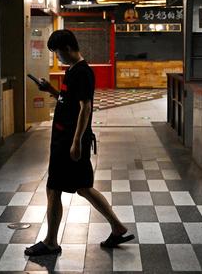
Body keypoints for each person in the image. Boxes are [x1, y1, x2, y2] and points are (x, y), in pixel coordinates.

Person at [24, 29, 134, 256]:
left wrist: (76, 142)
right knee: (83, 187)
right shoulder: (74, 71)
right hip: (67, 140)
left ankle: (51, 242)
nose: (57, 57)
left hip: (69, 142)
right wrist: (52, 90)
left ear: (66, 48)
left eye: (56, 53)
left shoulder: (81, 73)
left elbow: (86, 107)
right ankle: (117, 227)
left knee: (53, 188)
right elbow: (70, 102)